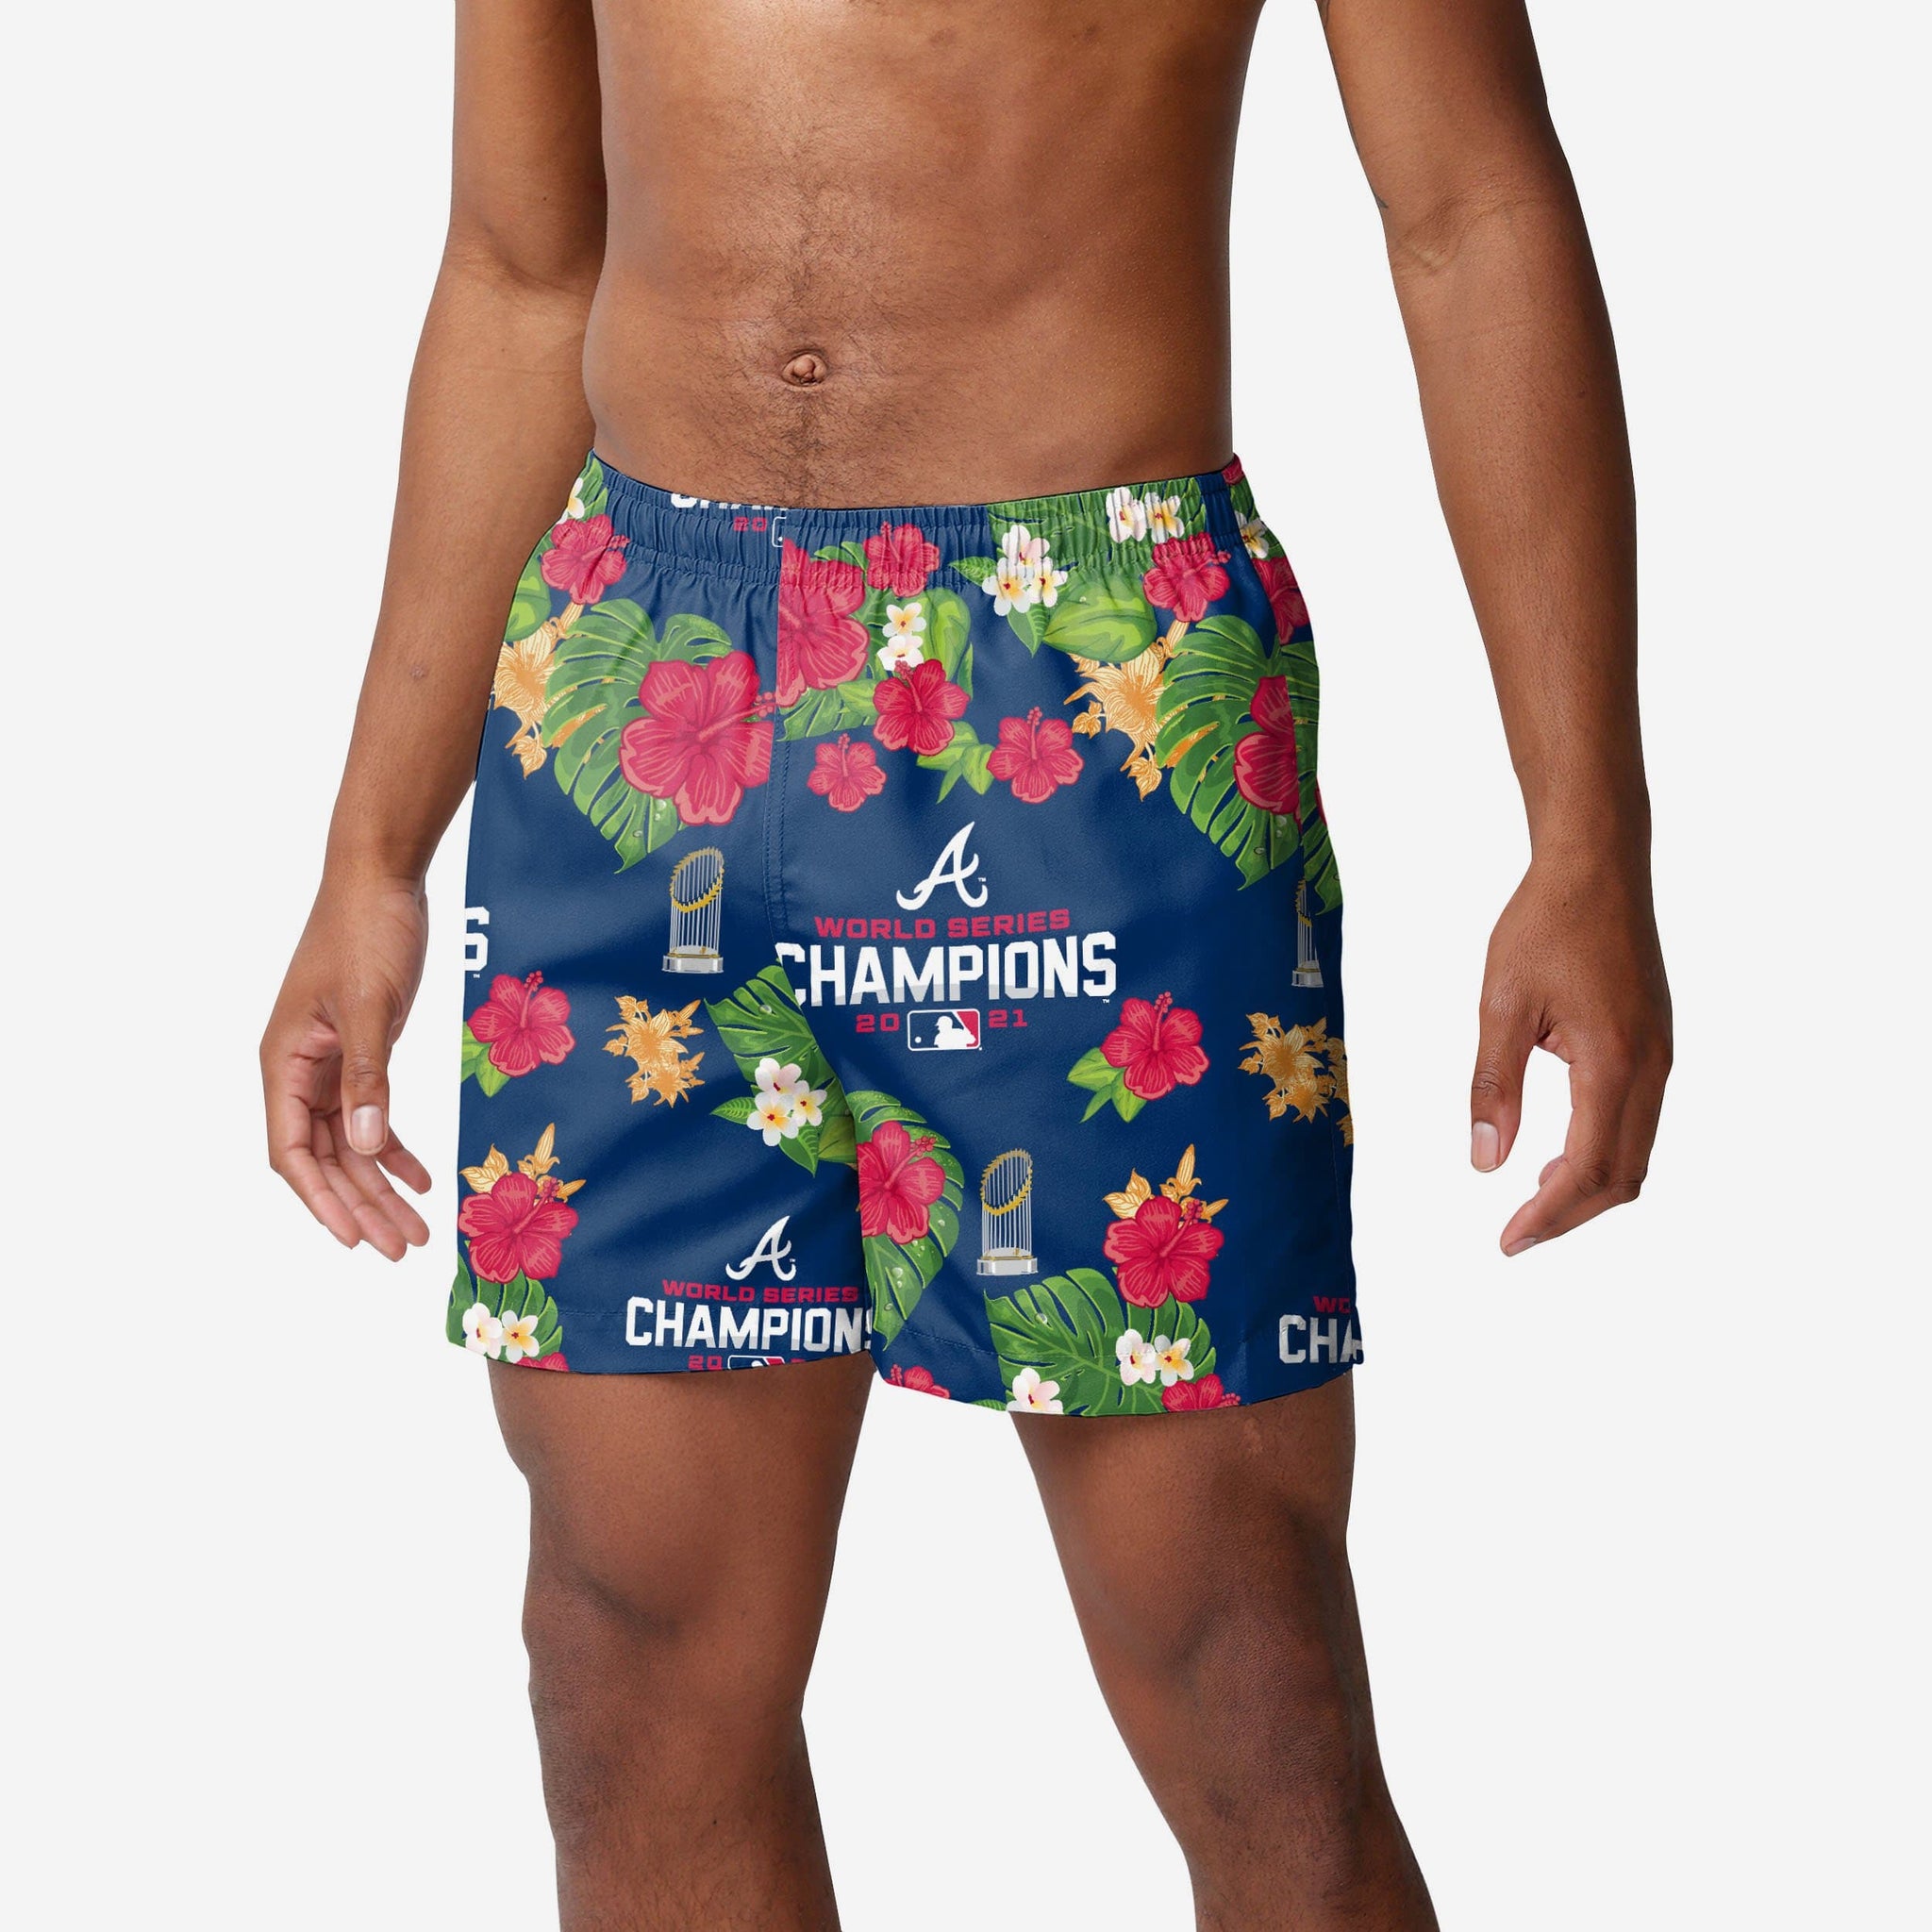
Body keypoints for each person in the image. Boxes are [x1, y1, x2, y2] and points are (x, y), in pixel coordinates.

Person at [261, 0, 1671, 1923]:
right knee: (626, 1653)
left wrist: (1586, 836)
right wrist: (370, 852)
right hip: (640, 681)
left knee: (1238, 1656)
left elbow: (1471, 209)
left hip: (1080, 680)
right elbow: (519, 268)